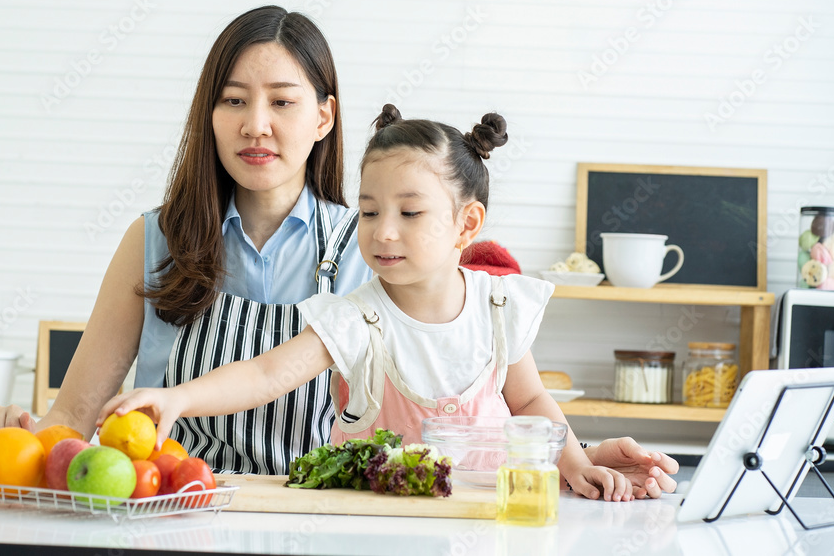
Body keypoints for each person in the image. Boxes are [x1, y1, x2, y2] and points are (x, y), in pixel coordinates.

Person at [0, 6, 678, 497]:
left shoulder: (376, 245)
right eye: (233, 100)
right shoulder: (154, 239)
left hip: (318, 514)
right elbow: (76, 412)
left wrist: (572, 455)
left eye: (281, 100)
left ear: (324, 115)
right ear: (208, 114)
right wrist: (21, 434)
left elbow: (483, 380)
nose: (256, 124)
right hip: (173, 509)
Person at [97, 105, 662, 501]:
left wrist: (579, 465)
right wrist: (176, 398)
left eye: (409, 213)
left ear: (467, 223)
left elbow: (532, 401)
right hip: (378, 522)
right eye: (368, 212)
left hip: (488, 515)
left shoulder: (499, 306)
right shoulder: (355, 316)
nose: (383, 232)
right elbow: (267, 373)